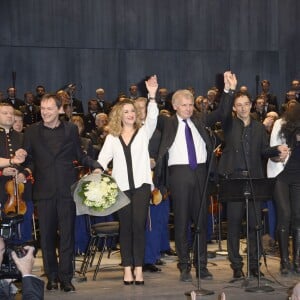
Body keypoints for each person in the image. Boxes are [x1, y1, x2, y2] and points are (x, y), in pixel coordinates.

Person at [154, 71, 237, 282]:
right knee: (181, 222)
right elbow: (151, 118)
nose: (189, 108)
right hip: (179, 174)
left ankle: (201, 265)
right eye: (184, 105)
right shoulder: (167, 123)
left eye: (190, 104)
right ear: (175, 106)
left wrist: (228, 90)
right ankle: (184, 267)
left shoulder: (200, 121)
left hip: (201, 172)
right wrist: (152, 95)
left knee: (201, 222)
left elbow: (223, 113)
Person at [21, 94, 102, 292]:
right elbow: (29, 159)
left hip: (67, 191)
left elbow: (79, 155)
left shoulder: (70, 130)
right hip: (44, 191)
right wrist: (24, 168)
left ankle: (66, 278)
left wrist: (95, 165)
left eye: (49, 108)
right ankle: (52, 276)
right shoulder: (31, 131)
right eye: (42, 108)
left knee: (67, 236)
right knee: (47, 238)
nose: (45, 112)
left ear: (59, 110)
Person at [218, 91, 289, 279]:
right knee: (233, 224)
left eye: (246, 104)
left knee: (255, 225)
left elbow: (264, 151)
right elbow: (222, 111)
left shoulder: (258, 128)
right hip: (234, 180)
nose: (243, 107)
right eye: (238, 104)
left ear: (251, 105)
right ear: (234, 107)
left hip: (254, 181)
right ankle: (236, 266)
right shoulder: (228, 124)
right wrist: (228, 91)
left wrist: (277, 151)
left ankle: (254, 265)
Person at [97, 76, 159, 285]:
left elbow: (152, 118)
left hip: (141, 187)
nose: (130, 114)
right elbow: (102, 160)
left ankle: (139, 269)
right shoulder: (112, 137)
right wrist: (98, 172)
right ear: (119, 115)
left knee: (138, 226)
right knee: (126, 228)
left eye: (132, 111)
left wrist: (151, 96)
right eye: (126, 112)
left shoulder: (143, 133)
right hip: (121, 188)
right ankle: (127, 269)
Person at [272, 102, 300, 275]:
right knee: (285, 215)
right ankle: (284, 261)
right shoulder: (280, 124)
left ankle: (296, 260)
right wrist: (281, 152)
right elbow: (272, 153)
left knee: (298, 217)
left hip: (298, 177)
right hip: (280, 175)